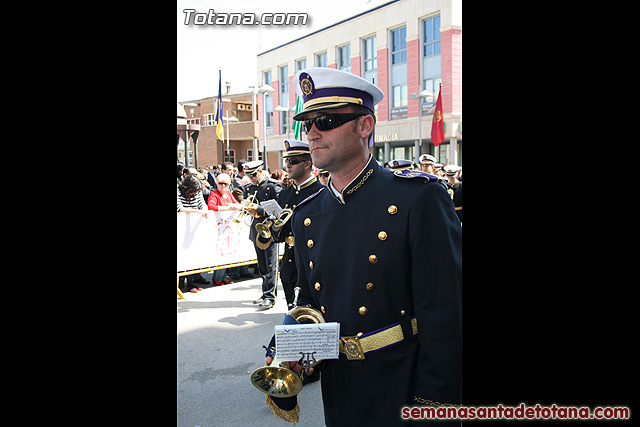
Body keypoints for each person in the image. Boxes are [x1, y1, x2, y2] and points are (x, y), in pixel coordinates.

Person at [263, 67, 462, 426]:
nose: (312, 133)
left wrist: (434, 405)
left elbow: (446, 314)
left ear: (364, 126)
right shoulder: (307, 213)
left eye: (325, 120)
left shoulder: (418, 198)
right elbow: (309, 301)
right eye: (307, 123)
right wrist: (292, 348)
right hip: (341, 389)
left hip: (404, 384)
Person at [272, 139, 324, 310]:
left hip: (311, 259)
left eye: (293, 161)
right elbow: (279, 233)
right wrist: (274, 226)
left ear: (307, 164)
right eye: (287, 161)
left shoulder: (320, 192)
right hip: (289, 259)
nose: (288, 165)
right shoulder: (285, 194)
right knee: (292, 308)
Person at [243, 160, 283, 309]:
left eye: (253, 175)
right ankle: (265, 292)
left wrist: (258, 210)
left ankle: (270, 296)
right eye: (249, 176)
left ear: (260, 171)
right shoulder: (249, 188)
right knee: (262, 265)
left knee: (271, 264)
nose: (252, 179)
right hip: (256, 229)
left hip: (269, 230)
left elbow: (279, 209)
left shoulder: (273, 186)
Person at [177, 174, 209, 293]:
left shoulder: (197, 192)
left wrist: (204, 209)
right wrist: (197, 211)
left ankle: (190, 282)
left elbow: (202, 203)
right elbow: (179, 208)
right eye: (192, 192)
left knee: (191, 256)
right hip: (181, 228)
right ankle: (180, 283)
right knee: (181, 255)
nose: (194, 194)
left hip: (193, 228)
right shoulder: (178, 191)